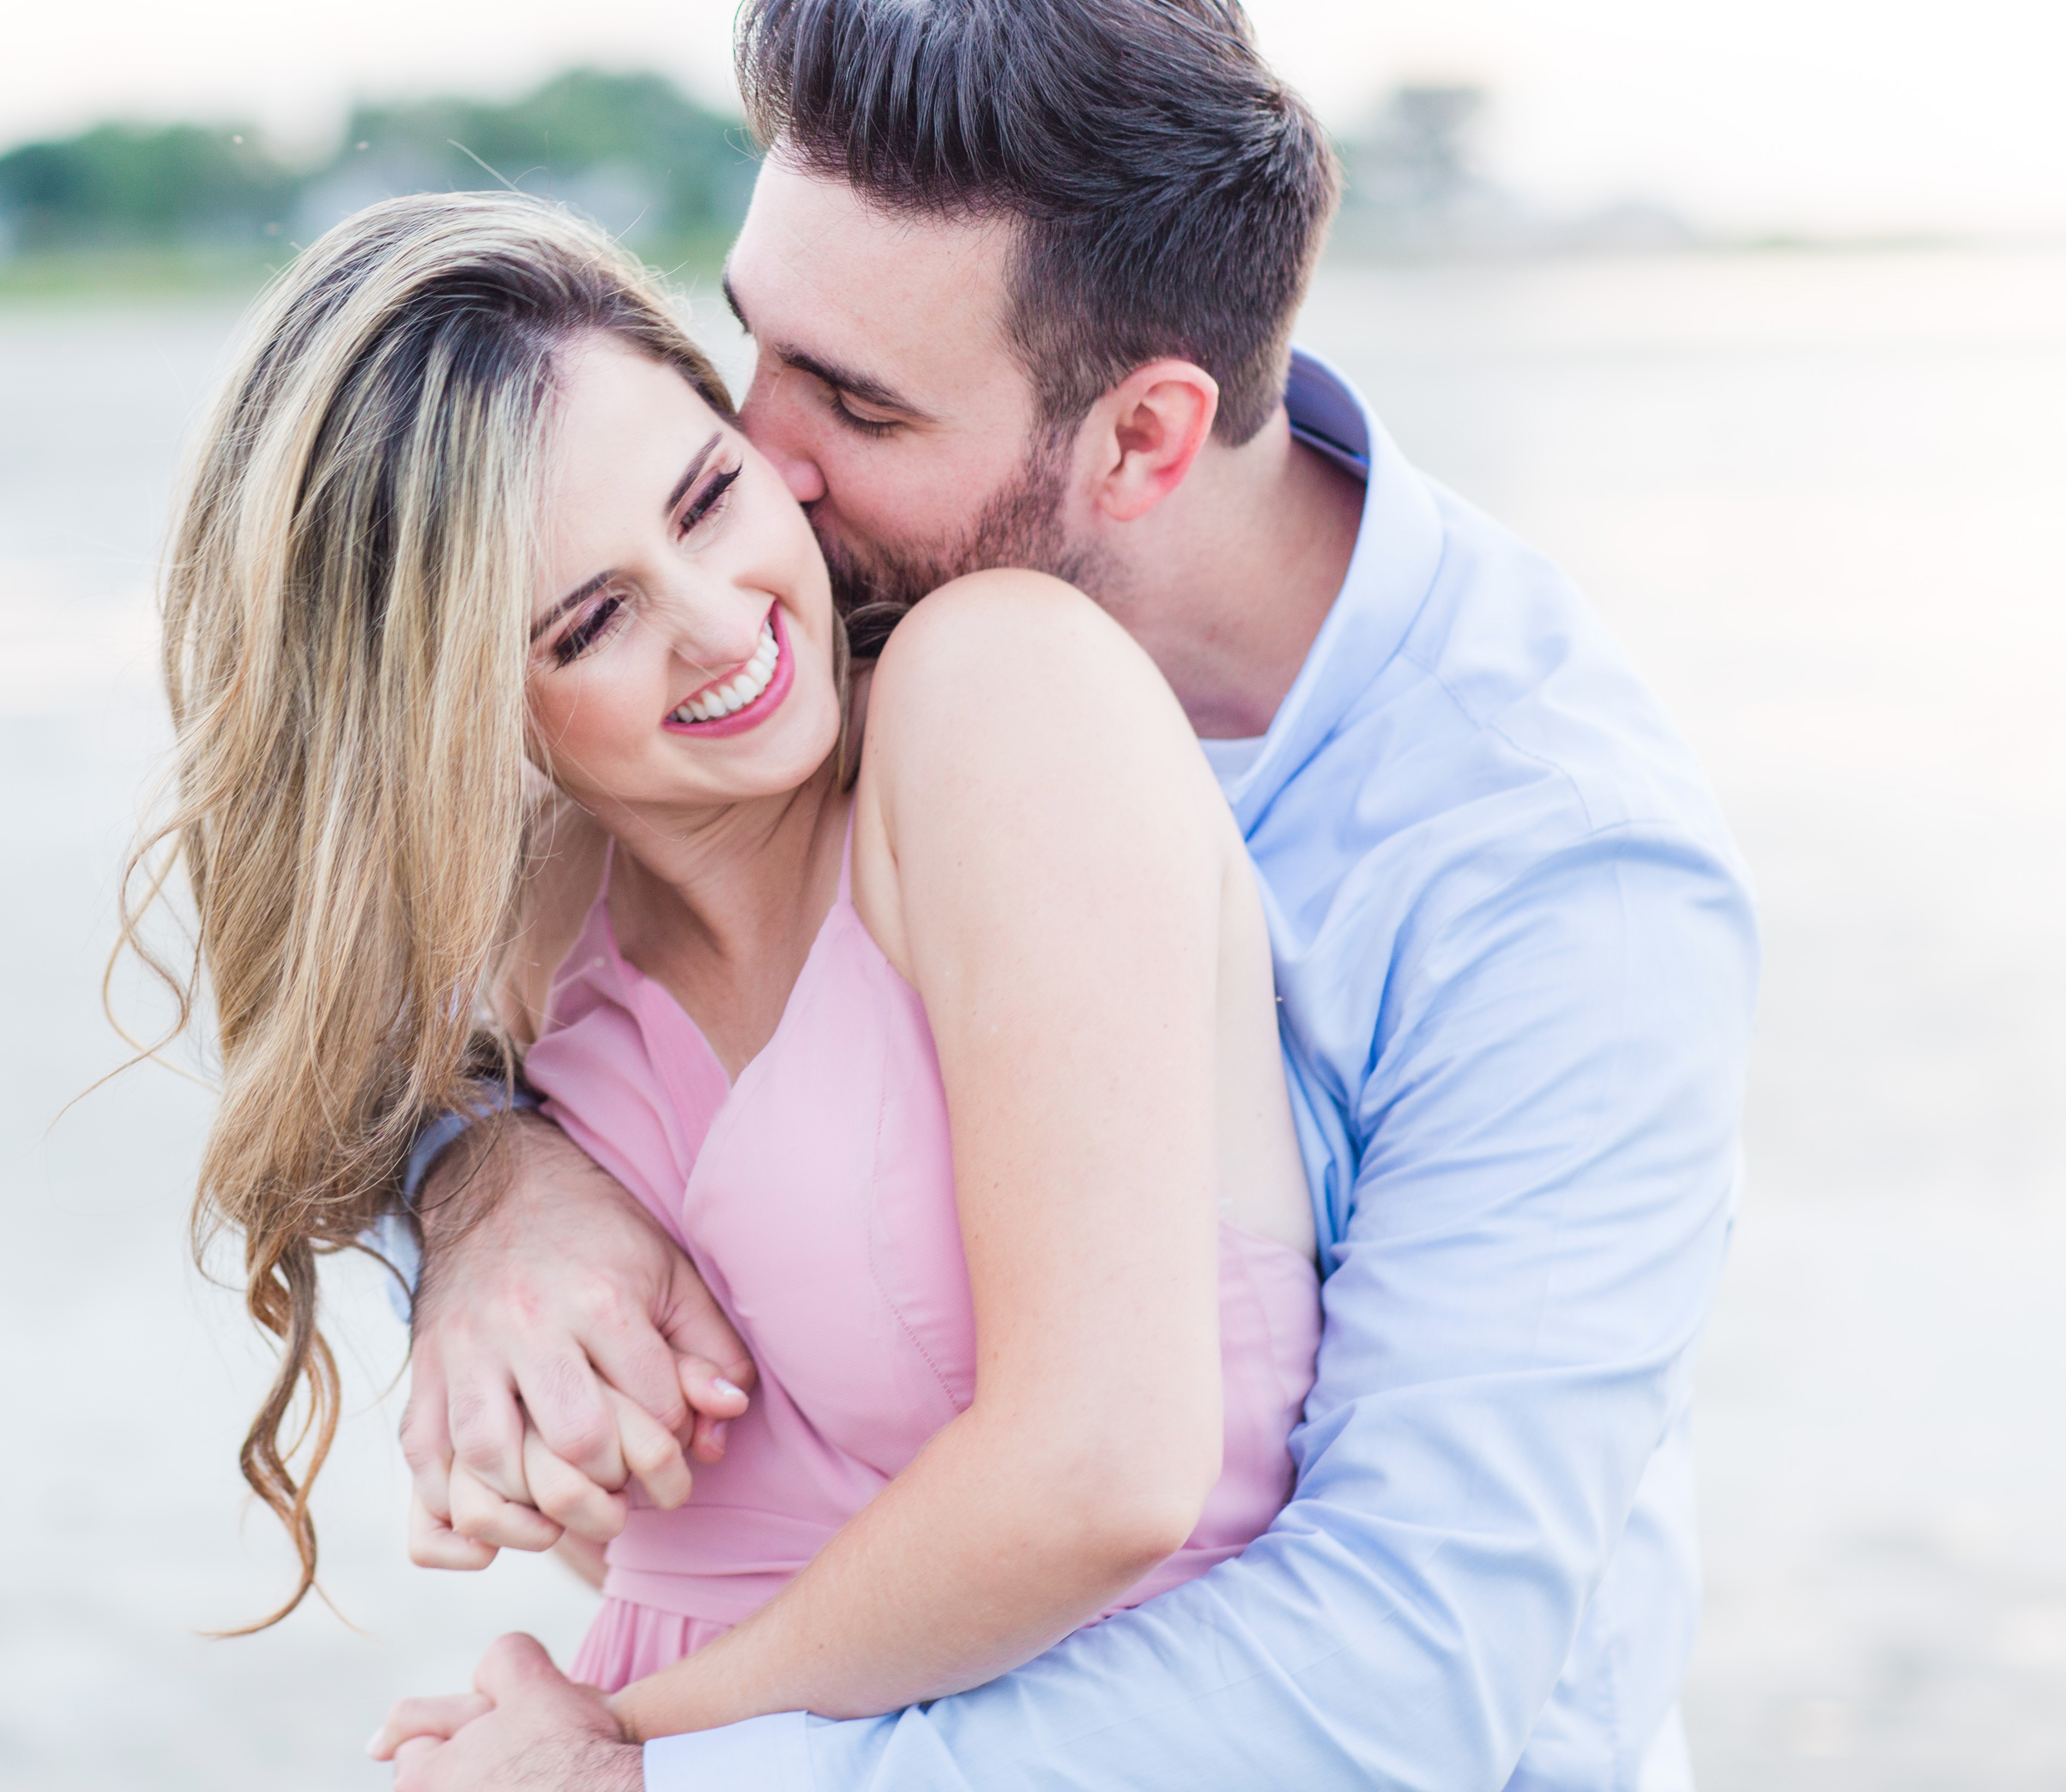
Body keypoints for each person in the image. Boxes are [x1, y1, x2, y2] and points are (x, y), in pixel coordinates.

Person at [386, 0, 1759, 1790]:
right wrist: (483, 1181)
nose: (756, 462)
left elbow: (1405, 1674)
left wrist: (651, 1770)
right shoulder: (823, 626)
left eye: (855, 405)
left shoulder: (1552, 880)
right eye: (753, 348)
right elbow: (410, 939)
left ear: (1143, 439)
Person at [129, 183, 1329, 1753]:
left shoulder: (998, 696)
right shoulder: (515, 963)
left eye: (705, 499)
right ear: (460, 710)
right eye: (593, 622)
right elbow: (624, 1538)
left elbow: (1103, 1473)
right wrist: (470, 1184)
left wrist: (623, 1746)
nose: (723, 624)